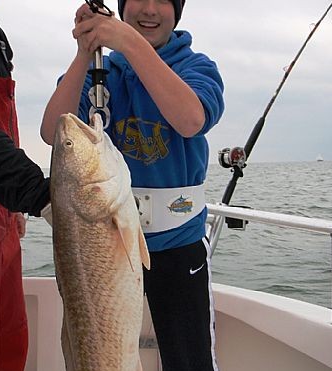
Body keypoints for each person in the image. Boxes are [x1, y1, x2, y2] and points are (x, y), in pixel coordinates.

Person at [41, 0, 224, 370]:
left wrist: (128, 42)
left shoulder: (195, 67)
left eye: (163, 0)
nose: (150, 10)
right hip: (103, 241)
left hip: (179, 241)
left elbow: (191, 120)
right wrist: (85, 52)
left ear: (178, 10)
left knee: (190, 360)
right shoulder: (101, 72)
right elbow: (52, 131)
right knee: (100, 344)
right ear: (122, 6)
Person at [0, 1, 50, 370]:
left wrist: (15, 205)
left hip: (2, 214)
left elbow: (1, 123)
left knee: (10, 337)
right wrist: (40, 195)